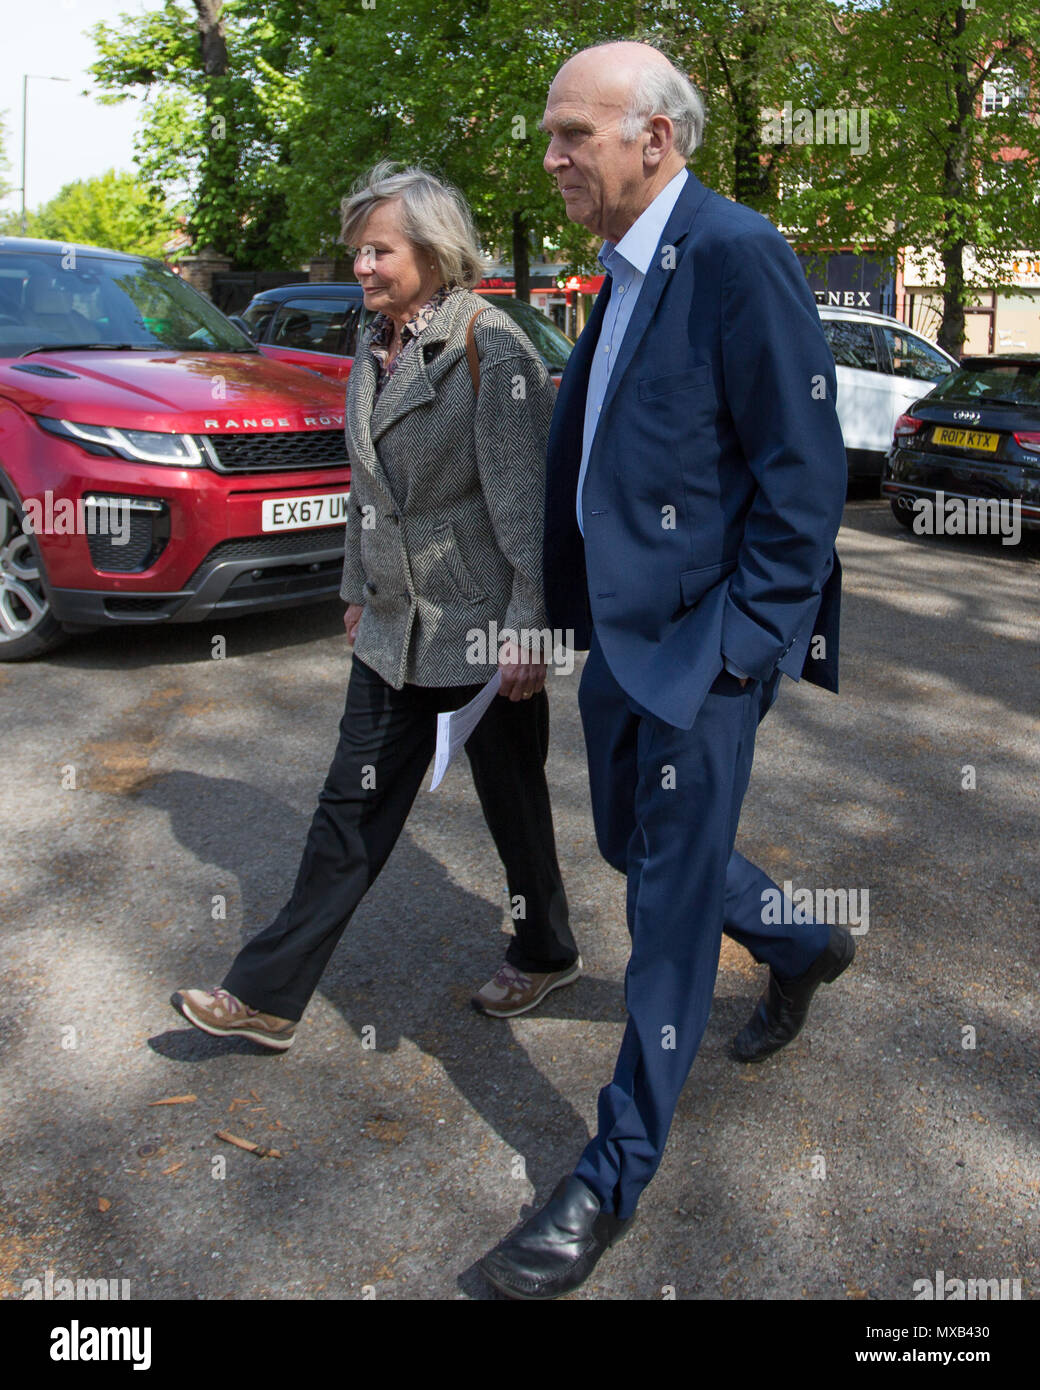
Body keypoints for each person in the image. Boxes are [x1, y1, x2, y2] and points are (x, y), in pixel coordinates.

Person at [479, 42, 855, 1300]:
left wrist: (742, 652)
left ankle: (609, 1170)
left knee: (664, 915)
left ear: (655, 135)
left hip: (701, 653)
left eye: (571, 133)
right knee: (633, 849)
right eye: (551, 133)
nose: (551, 156)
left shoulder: (737, 251)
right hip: (617, 641)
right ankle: (799, 941)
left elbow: (804, 479)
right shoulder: (623, 268)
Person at [173, 162, 580, 1049]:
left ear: (434, 252)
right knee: (349, 807)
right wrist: (356, 591)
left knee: (515, 805)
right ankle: (267, 995)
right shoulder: (374, 338)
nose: (361, 265)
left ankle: (545, 948)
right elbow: (368, 490)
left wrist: (530, 630)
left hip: (480, 629)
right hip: (394, 625)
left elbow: (525, 506)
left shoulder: (491, 346)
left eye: (379, 249)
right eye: (357, 248)